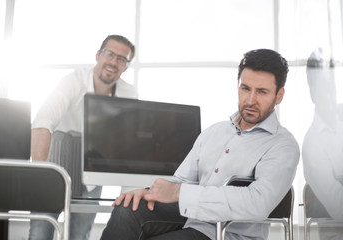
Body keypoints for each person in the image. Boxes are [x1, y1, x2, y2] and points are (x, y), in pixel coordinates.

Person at [100, 49, 300, 240]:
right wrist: (149, 193)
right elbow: (181, 181)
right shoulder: (214, 132)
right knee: (129, 208)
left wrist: (179, 193)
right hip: (192, 220)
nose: (250, 99)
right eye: (245, 88)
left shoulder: (283, 145)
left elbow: (258, 203)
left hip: (230, 234)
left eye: (262, 92)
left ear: (279, 95)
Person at [30, 34, 138, 240]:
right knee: (39, 233)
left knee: (79, 235)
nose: (114, 62)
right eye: (110, 54)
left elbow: (127, 143)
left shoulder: (129, 93)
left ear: (126, 66)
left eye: (122, 59)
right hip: (56, 162)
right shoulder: (73, 81)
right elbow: (43, 123)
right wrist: (40, 176)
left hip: (93, 167)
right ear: (98, 55)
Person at [302, 48, 343, 240]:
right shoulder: (313, 145)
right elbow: (338, 206)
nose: (330, 94)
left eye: (332, 85)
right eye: (323, 87)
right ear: (312, 93)